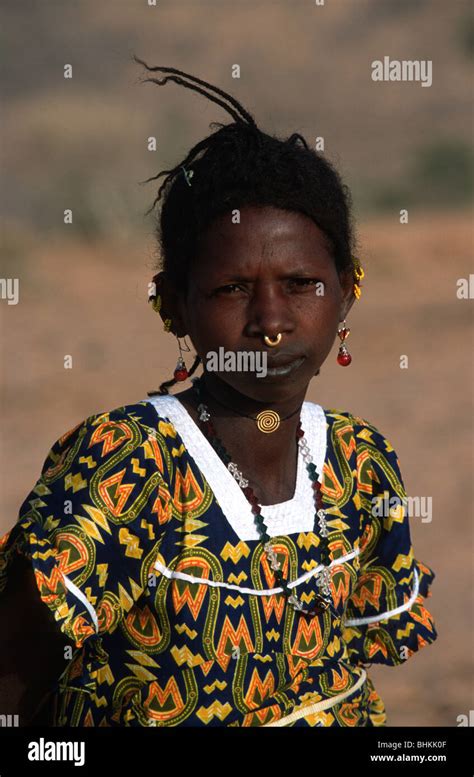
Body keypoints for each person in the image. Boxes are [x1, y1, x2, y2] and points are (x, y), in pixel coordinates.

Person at [0, 61, 437, 727]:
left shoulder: (359, 460)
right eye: (232, 288)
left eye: (299, 283)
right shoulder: (129, 464)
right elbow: (16, 670)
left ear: (347, 290)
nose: (270, 321)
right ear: (173, 306)